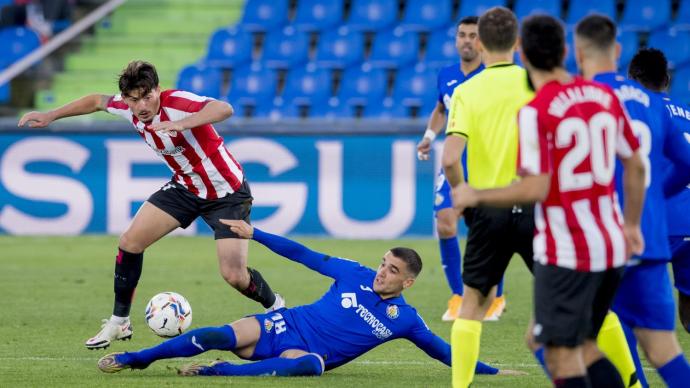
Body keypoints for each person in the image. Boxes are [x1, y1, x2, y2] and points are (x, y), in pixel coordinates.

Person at [17, 61, 283, 350]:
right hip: (185, 187)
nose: (141, 105)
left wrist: (184, 122)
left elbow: (224, 108)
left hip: (226, 192)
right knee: (130, 242)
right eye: (133, 99)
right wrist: (51, 115)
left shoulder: (179, 102)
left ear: (157, 89)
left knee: (234, 275)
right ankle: (119, 322)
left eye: (147, 96)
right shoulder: (127, 107)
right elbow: (96, 101)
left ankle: (276, 307)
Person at [453, 14, 646, 388]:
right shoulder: (601, 95)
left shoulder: (538, 108)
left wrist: (475, 194)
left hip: (567, 243)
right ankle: (634, 384)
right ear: (565, 52)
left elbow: (536, 186)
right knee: (585, 342)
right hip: (609, 239)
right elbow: (636, 165)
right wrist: (633, 225)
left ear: (523, 53)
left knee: (556, 351)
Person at [96, 220, 521, 379]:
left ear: (407, 282)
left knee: (310, 366)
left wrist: (491, 371)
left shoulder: (404, 320)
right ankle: (138, 358)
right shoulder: (352, 273)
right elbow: (304, 255)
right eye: (383, 263)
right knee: (216, 332)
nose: (381, 271)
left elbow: (445, 353)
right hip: (286, 324)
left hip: (306, 351)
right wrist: (255, 234)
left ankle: (218, 372)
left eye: (392, 270)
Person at [574, 16, 690, 388]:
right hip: (680, 224)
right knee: (676, 331)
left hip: (639, 226)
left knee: (613, 317)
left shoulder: (620, 103)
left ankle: (634, 382)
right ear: (667, 81)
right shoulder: (682, 113)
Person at [441, 7, 534, 387]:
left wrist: (464, 195)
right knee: (578, 295)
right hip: (536, 206)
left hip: (488, 210)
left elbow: (449, 159)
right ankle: (629, 380)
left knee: (472, 305)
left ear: (479, 43)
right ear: (518, 43)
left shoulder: (466, 91)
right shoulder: (540, 85)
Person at [416, 16, 506, 322]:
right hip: (455, 155)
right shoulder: (446, 75)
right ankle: (459, 296)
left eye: (473, 36)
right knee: (445, 222)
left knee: (491, 226)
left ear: (482, 41)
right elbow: (442, 108)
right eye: (462, 35)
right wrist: (428, 137)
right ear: (456, 40)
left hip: (487, 159)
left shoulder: (493, 75)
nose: (467, 40)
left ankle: (495, 297)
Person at [628, 48, 690, 334]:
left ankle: (630, 377)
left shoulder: (637, 111)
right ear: (666, 79)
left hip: (655, 222)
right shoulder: (686, 112)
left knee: (621, 302)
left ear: (633, 78)